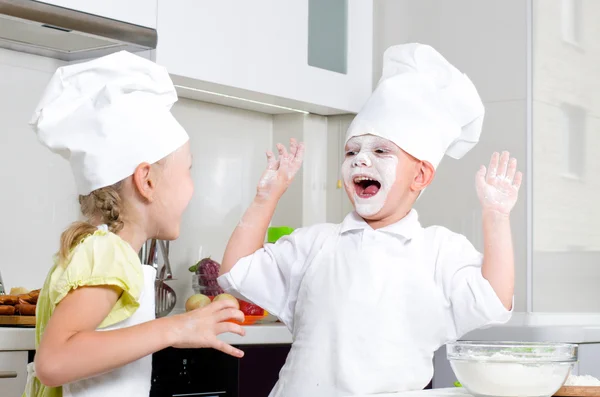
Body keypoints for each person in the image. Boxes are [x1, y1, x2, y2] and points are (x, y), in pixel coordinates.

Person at [217, 43, 522, 396]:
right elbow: (235, 272)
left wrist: (496, 217)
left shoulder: (438, 251)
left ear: (421, 176)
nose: (360, 160)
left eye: (380, 151)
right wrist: (265, 198)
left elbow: (494, 300)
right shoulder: (315, 243)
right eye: (351, 151)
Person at [24, 51, 245, 397]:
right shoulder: (110, 253)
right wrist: (176, 328)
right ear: (147, 181)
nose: (192, 187)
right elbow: (53, 362)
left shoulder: (100, 250)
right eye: (189, 170)